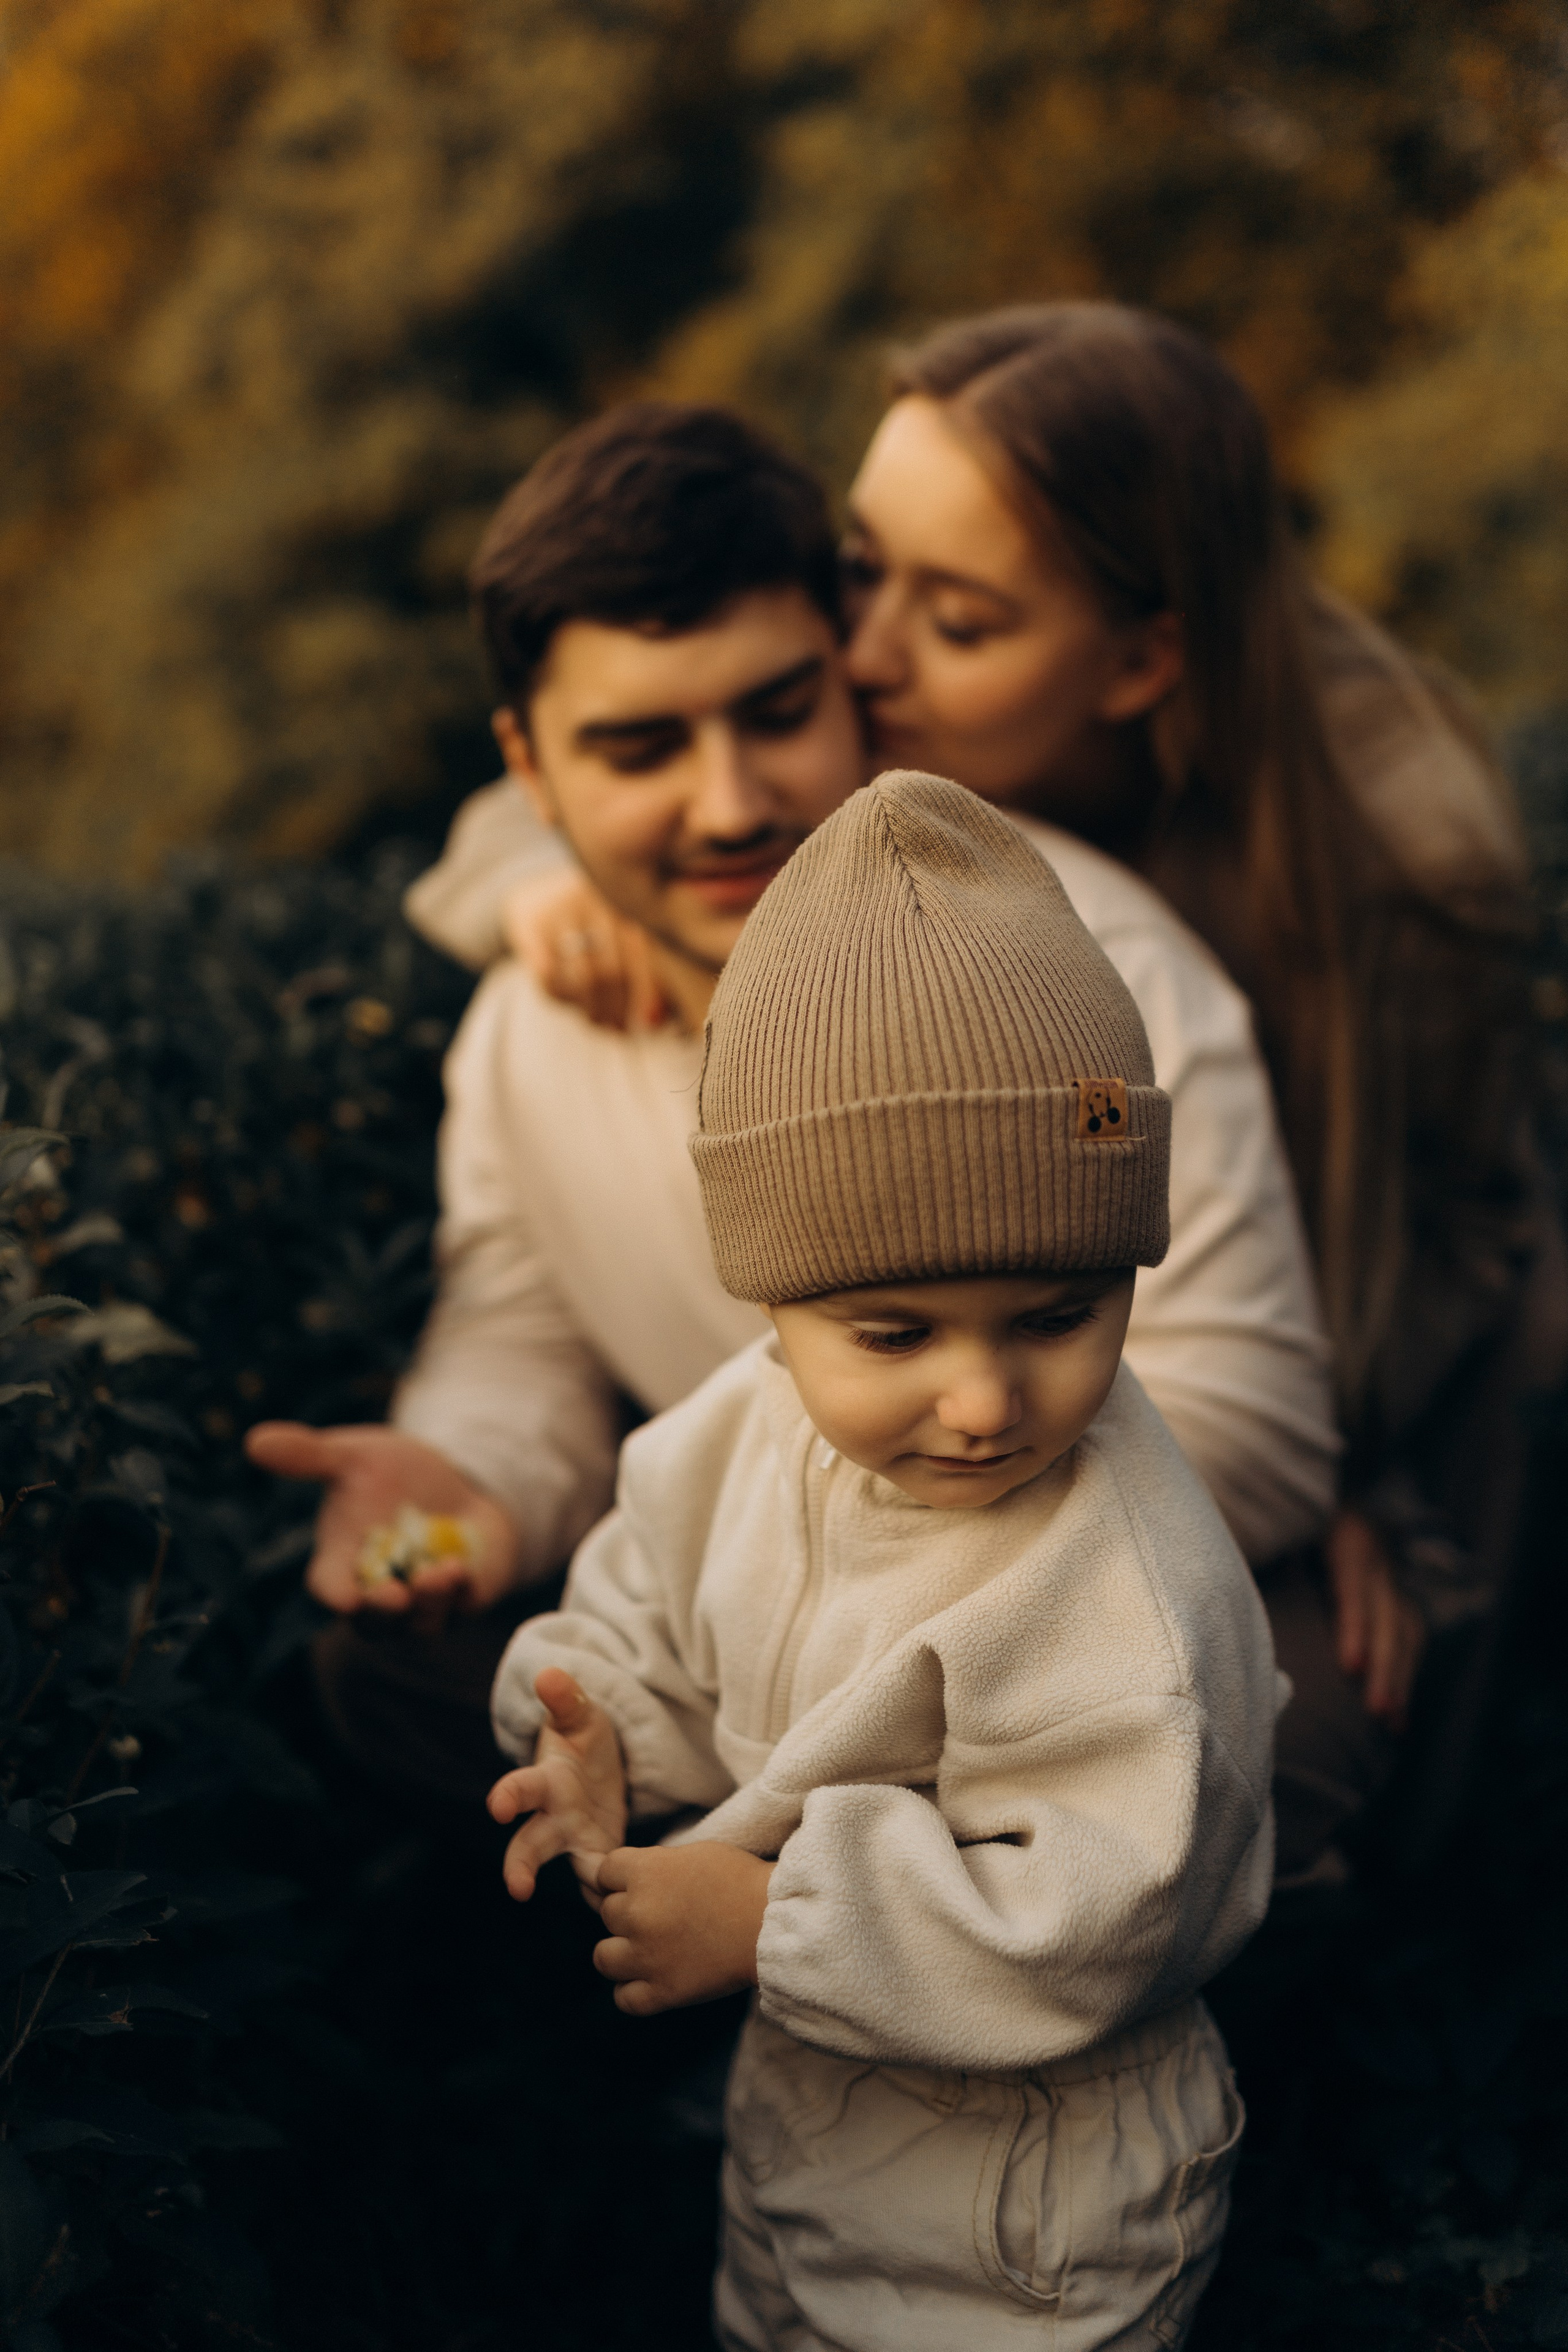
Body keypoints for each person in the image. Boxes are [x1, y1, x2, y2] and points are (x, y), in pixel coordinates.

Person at [456, 307, 1566, 1874]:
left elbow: (1415, 1231)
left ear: (1139, 660)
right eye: (860, 572)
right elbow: (610, 757)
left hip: (1333, 1367)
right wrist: (523, 874)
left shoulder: (1383, 871)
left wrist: (1363, 1471)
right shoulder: (875, 829)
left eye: (958, 619)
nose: (862, 654)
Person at [247, 396, 1335, 1826]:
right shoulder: (527, 1025)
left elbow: (1253, 1414)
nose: (728, 804)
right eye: (639, 750)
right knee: (411, 1684)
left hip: (1065, 1632)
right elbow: (518, 1340)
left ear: (846, 681)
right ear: (529, 770)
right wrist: (464, 1489)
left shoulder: (1078, 965)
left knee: (1256, 1767)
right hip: (748, 1625)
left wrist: (860, 1605)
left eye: (774, 714)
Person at [488, 772, 1278, 2351]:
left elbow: (1106, 1904)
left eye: (1056, 1316)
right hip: (808, 2118)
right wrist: (593, 1732)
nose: (984, 1402)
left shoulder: (1130, 1587)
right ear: (772, 1305)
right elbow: (644, 1596)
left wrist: (771, 1919)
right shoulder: (738, 1434)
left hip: (1039, 2203)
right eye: (893, 1334)